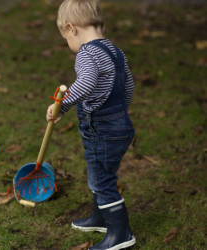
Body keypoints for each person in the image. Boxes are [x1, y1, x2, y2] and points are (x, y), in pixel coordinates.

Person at [46, 0, 136, 249]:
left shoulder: (87, 53)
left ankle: (121, 234)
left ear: (71, 28)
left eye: (66, 37)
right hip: (120, 125)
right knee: (101, 173)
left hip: (102, 129)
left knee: (101, 179)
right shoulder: (115, 51)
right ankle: (101, 218)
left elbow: (84, 84)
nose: (70, 45)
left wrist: (60, 105)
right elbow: (128, 87)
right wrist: (119, 114)